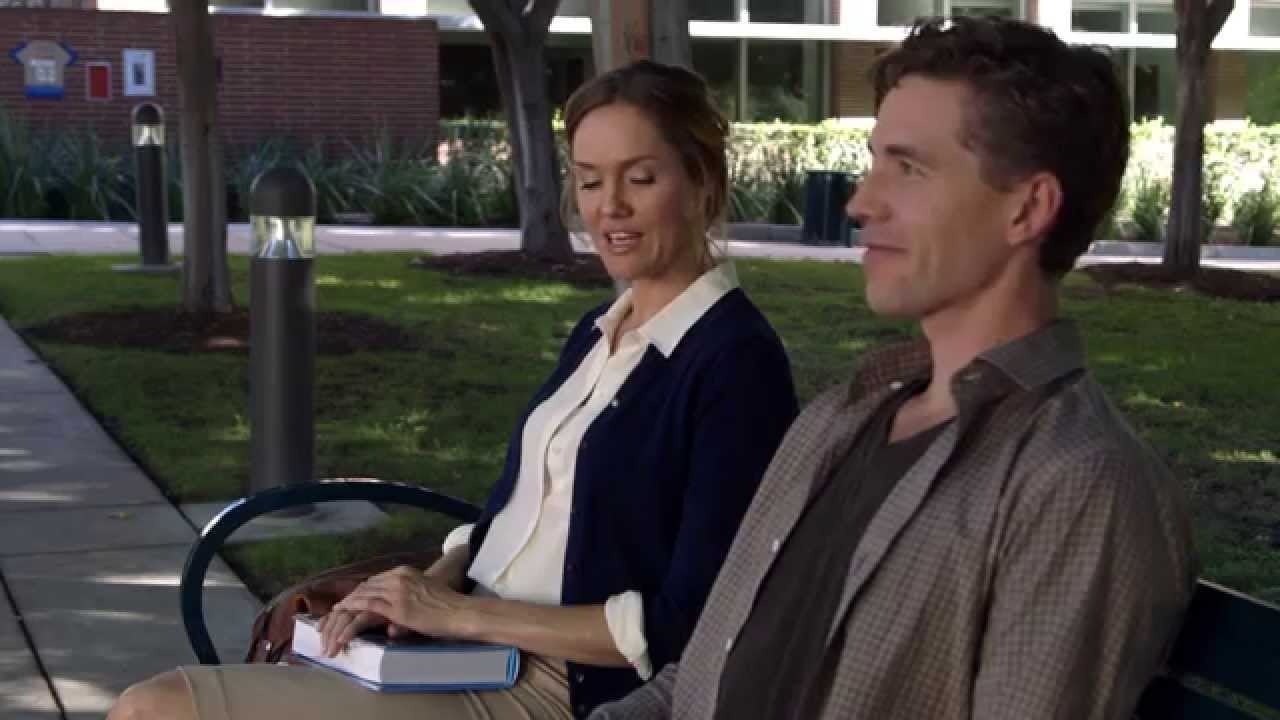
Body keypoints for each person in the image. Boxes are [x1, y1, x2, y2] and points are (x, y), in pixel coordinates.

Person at [108, 60, 799, 720]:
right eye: (589, 181)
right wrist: (428, 583)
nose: (609, 206)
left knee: (155, 709)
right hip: (462, 649)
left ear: (704, 182)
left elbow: (691, 621)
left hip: (558, 687)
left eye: (640, 178)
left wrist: (461, 615)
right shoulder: (600, 331)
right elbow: (516, 514)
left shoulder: (735, 364)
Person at [592, 16, 1197, 720]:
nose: (860, 202)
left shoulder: (1075, 485)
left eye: (908, 169)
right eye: (875, 162)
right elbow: (702, 676)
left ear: (1028, 208)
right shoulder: (839, 418)